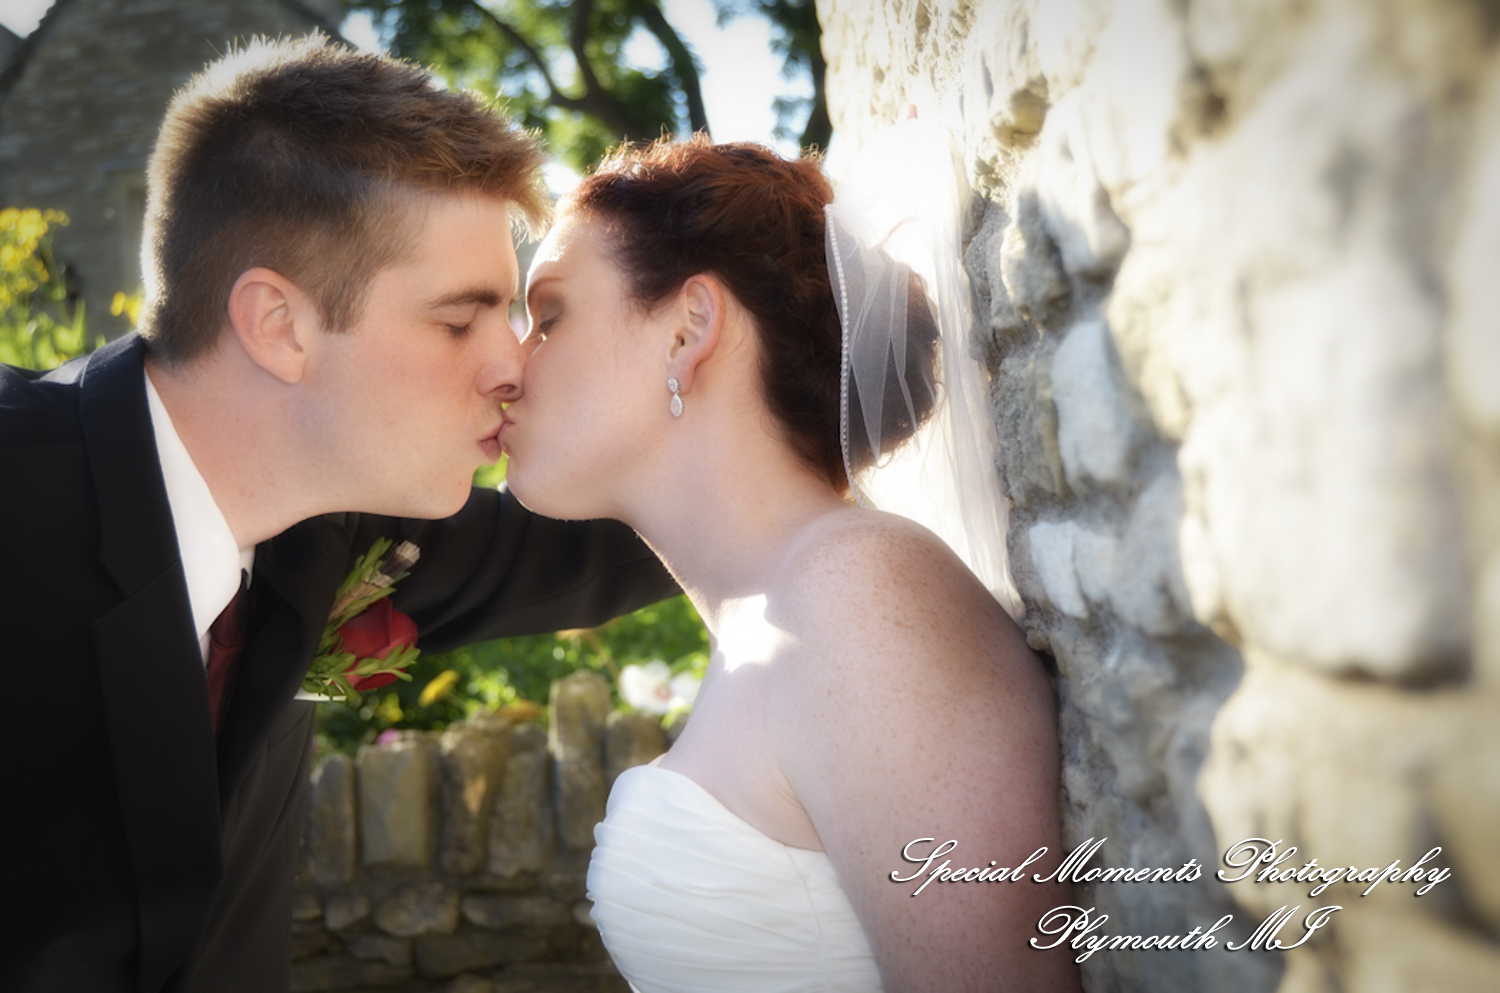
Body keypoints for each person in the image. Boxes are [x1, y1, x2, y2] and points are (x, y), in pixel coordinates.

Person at [0, 37, 677, 993]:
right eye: (458, 320)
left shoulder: (336, 523)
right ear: (279, 325)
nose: (512, 364)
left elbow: (631, 529)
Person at [499, 136, 1080, 990]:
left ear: (689, 327)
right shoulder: (778, 610)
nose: (509, 365)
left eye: (548, 317)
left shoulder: (859, 596)